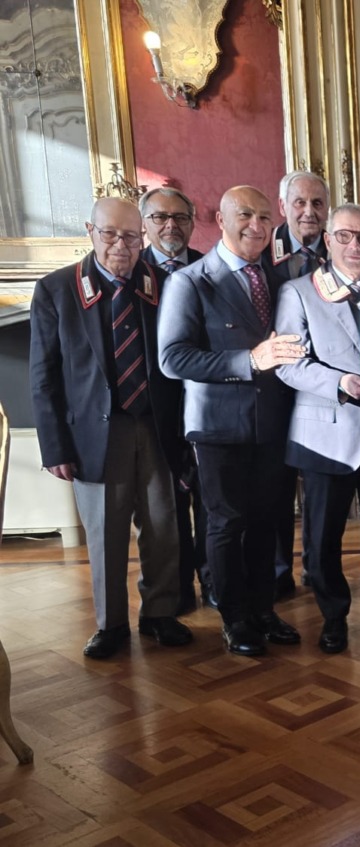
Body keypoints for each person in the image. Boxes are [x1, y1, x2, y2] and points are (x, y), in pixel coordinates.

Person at [30, 197, 192, 659]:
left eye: (131, 236)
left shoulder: (164, 284)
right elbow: (43, 377)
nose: (121, 246)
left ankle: (160, 613)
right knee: (105, 533)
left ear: (144, 236)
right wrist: (54, 447)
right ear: (90, 231)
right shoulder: (57, 290)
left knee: (163, 526)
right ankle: (111, 623)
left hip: (156, 429)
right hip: (95, 435)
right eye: (110, 235)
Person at [158, 185, 307, 656]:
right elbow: (172, 358)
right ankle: (234, 617)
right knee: (225, 524)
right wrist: (249, 361)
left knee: (268, 521)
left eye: (265, 217)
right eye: (245, 215)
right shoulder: (191, 281)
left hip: (273, 423)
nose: (257, 226)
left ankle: (264, 609)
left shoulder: (280, 279)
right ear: (220, 219)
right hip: (218, 426)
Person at [274, 204, 360, 653]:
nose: (355, 246)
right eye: (345, 237)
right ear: (329, 240)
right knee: (322, 536)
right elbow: (287, 363)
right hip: (325, 434)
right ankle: (333, 616)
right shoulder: (299, 293)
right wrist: (339, 382)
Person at [139, 186, 210, 614]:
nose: (171, 226)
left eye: (180, 217)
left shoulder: (209, 268)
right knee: (165, 510)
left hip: (206, 404)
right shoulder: (132, 273)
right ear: (145, 223)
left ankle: (213, 580)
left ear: (193, 221)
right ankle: (176, 589)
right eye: (160, 217)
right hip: (154, 411)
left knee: (211, 503)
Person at [264, 170, 331, 600]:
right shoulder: (259, 252)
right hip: (271, 389)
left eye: (318, 203)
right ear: (284, 204)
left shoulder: (344, 247)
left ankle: (318, 568)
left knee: (321, 487)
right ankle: (276, 572)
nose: (309, 212)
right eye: (300, 203)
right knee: (275, 486)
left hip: (323, 388)